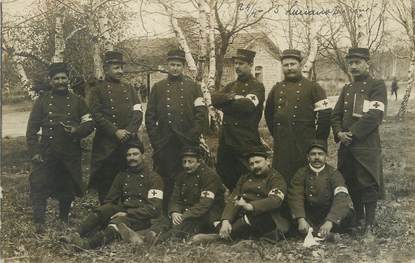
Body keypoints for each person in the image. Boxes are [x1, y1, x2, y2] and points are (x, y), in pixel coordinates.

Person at [26, 62, 94, 233]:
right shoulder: (42, 101)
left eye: (63, 78)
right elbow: (31, 129)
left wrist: (76, 130)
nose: (60, 81)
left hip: (69, 153)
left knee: (67, 188)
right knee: (39, 185)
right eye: (56, 78)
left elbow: (89, 124)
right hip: (46, 153)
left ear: (68, 79)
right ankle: (39, 221)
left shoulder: (78, 101)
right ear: (50, 80)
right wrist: (34, 152)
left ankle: (63, 219)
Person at [62, 140, 163, 249]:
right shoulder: (122, 175)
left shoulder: (154, 178)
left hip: (141, 216)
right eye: (128, 155)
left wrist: (127, 213)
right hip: (124, 209)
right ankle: (75, 234)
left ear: (142, 155)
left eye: (135, 154)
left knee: (116, 224)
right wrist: (106, 214)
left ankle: (86, 245)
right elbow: (110, 199)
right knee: (103, 210)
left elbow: (154, 208)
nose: (132, 158)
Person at [331, 47, 387, 236]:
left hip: (366, 145)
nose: (353, 66)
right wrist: (339, 133)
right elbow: (336, 115)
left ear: (367, 64)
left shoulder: (377, 86)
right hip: (346, 146)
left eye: (357, 62)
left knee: (368, 183)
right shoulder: (346, 88)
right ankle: (359, 218)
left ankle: (369, 223)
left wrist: (352, 134)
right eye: (350, 63)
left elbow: (375, 115)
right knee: (351, 181)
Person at [145, 49, 208, 213]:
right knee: (164, 176)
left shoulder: (193, 87)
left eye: (178, 65)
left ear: (183, 67)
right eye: (172, 65)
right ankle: (164, 212)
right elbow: (150, 116)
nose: (174, 68)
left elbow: (201, 114)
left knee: (187, 176)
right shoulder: (158, 88)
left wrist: (192, 136)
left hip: (186, 141)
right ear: (167, 65)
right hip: (164, 142)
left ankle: (187, 211)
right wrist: (155, 140)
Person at [265, 49, 331, 186]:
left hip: (304, 142)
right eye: (286, 65)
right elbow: (269, 113)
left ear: (300, 65)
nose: (289, 68)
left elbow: (325, 115)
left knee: (305, 178)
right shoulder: (277, 88)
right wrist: (277, 134)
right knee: (281, 178)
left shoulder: (313, 87)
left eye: (293, 64)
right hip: (282, 143)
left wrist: (318, 141)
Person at [88, 51, 143, 204]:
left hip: (128, 141)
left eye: (121, 68)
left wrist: (129, 131)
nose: (120, 71)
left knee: (129, 176)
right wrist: (115, 131)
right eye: (116, 68)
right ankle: (106, 212)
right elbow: (96, 114)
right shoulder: (97, 90)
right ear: (106, 69)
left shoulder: (129, 88)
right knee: (107, 180)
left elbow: (138, 112)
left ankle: (128, 210)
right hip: (106, 144)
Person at [142, 146, 225, 243]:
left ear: (199, 161)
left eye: (190, 162)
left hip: (207, 213)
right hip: (187, 210)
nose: (186, 165)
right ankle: (151, 233)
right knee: (164, 220)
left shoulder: (209, 176)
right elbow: (175, 198)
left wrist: (184, 216)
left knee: (184, 226)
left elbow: (205, 204)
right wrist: (174, 212)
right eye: (184, 162)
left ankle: (157, 240)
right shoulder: (181, 176)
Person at [211, 49, 265, 191]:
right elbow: (214, 99)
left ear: (251, 64)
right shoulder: (231, 86)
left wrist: (225, 105)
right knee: (224, 169)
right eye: (236, 63)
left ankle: (248, 200)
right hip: (227, 138)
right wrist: (233, 97)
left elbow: (246, 106)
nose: (237, 67)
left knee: (248, 172)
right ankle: (236, 197)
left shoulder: (257, 86)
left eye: (241, 63)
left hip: (245, 138)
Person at [288, 140, 353, 238]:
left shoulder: (334, 173)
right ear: (308, 157)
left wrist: (330, 221)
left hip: (328, 213)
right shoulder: (301, 173)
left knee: (348, 213)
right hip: (308, 215)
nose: (317, 157)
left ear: (326, 156)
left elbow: (341, 196)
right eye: (313, 154)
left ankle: (320, 232)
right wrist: (301, 219)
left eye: (320, 154)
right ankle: (322, 234)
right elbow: (295, 196)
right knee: (290, 216)